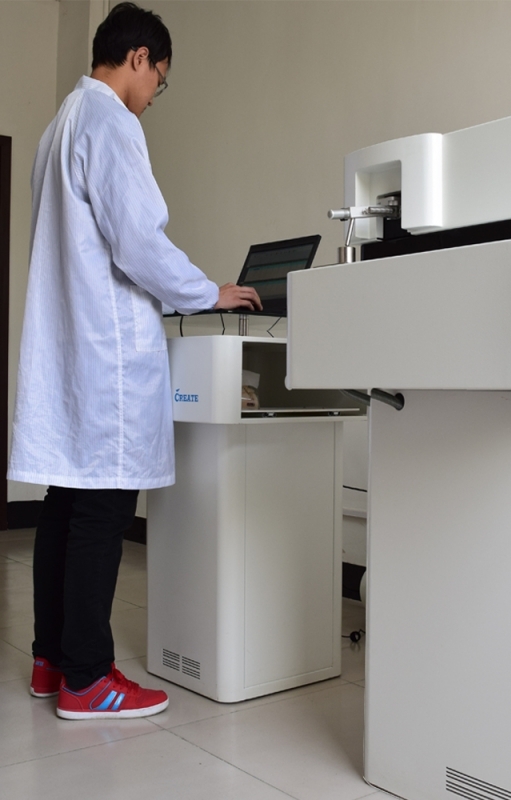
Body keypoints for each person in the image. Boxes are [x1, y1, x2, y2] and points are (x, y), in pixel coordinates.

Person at [8, 2, 261, 720]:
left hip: (74, 347)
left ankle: (52, 661)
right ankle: (90, 678)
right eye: (159, 81)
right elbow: (139, 242)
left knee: (65, 502)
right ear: (140, 57)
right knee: (102, 510)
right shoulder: (111, 122)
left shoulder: (60, 124)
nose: (153, 97)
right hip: (109, 352)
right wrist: (207, 292)